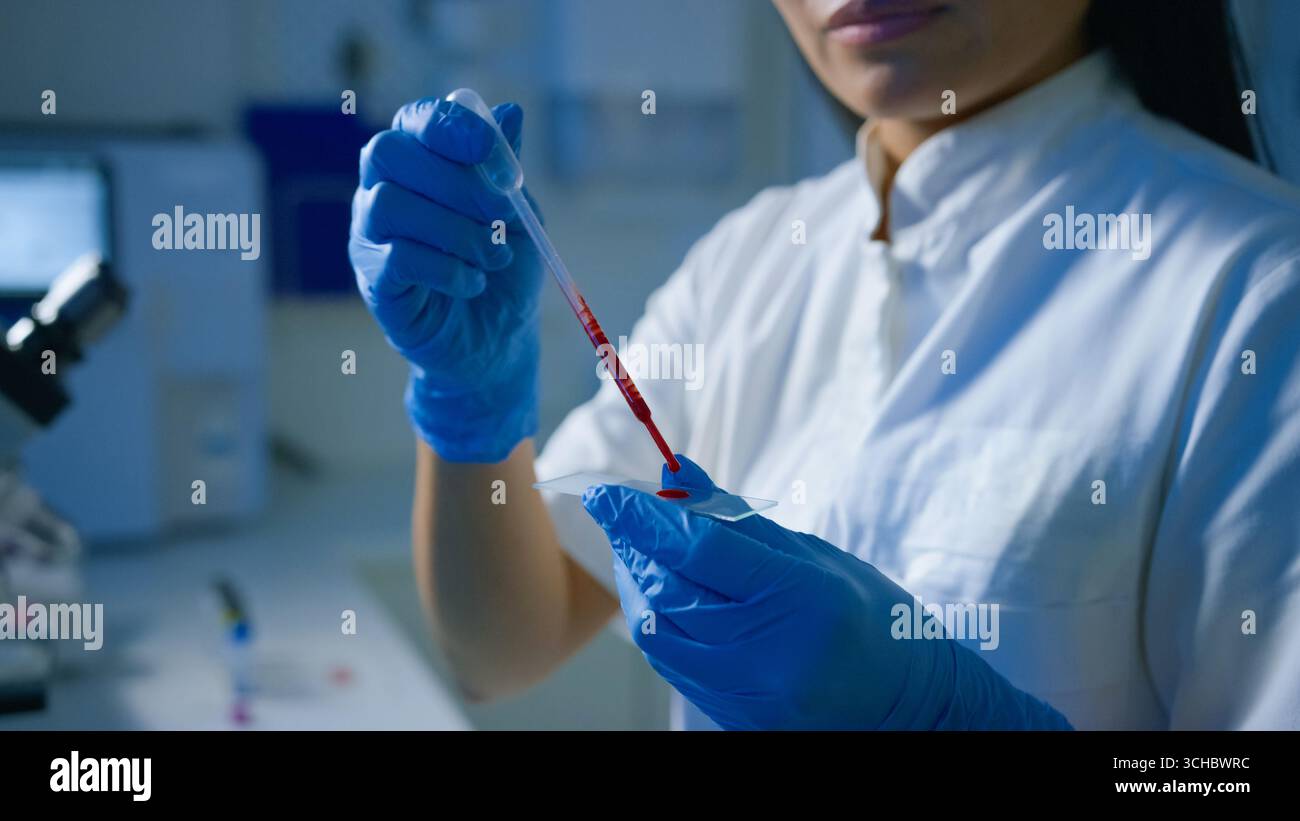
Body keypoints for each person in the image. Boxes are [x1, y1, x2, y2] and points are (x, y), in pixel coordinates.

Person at [348, 0, 1300, 729]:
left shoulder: (1260, 290)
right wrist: (471, 410)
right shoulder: (750, 260)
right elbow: (501, 642)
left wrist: (951, 717)